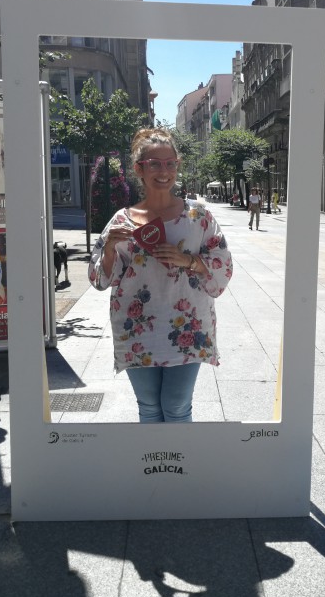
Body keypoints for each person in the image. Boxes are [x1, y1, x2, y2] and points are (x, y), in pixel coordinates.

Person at [88, 128, 233, 423]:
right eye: (154, 163)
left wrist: (188, 261)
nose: (163, 171)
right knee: (149, 406)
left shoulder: (198, 217)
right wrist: (112, 247)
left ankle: (181, 468)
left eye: (170, 163)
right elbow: (99, 279)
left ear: (177, 166)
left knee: (177, 406)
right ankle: (153, 468)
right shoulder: (121, 220)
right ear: (139, 169)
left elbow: (223, 264)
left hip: (188, 325)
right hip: (136, 326)